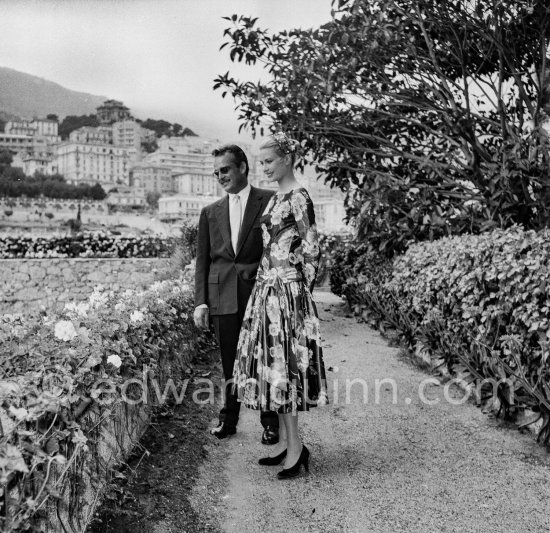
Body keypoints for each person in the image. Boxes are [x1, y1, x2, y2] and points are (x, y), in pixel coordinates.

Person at [232, 132, 328, 479]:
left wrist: (300, 292)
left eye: (269, 161)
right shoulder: (276, 199)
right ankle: (291, 446)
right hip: (267, 293)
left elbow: (313, 248)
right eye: (262, 163)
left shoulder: (299, 197)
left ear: (288, 158)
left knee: (285, 369)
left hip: (287, 294)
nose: (265, 168)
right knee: (277, 372)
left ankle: (297, 448)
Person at [194, 144, 279, 444]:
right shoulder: (210, 212)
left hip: (259, 294)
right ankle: (228, 419)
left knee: (264, 358)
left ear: (243, 167)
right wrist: (201, 302)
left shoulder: (269, 201)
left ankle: (270, 422)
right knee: (228, 361)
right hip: (222, 297)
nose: (221, 176)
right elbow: (203, 261)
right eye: (216, 172)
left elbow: (276, 250)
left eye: (225, 169)